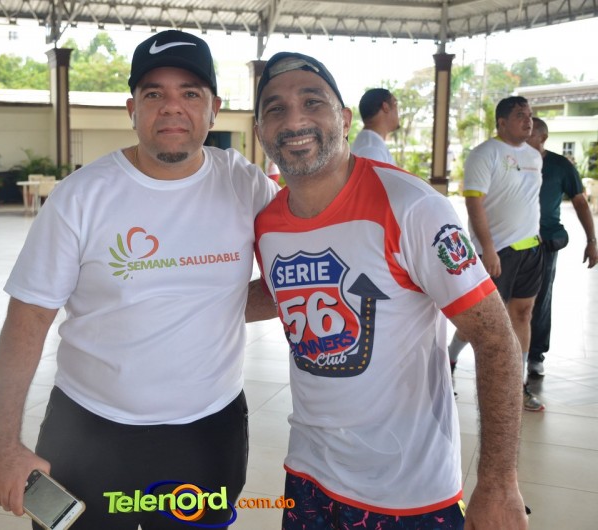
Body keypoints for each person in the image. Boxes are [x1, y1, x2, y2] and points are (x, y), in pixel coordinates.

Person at [0, 30, 278, 530]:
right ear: (132, 109)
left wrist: (217, 306)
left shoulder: (245, 184)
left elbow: (290, 280)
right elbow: (27, 319)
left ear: (214, 109)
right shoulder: (82, 196)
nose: (172, 107)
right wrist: (4, 445)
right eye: (153, 93)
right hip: (88, 430)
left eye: (190, 93)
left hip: (207, 433)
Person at [251, 52, 528, 529]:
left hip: (408, 491)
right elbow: (282, 294)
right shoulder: (268, 223)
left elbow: (495, 338)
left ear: (343, 119)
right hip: (307, 474)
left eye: (312, 102)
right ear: (260, 131)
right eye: (276, 108)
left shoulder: (413, 207)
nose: (294, 120)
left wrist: (499, 483)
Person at [447, 96, 545, 412]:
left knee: (523, 314)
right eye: (520, 115)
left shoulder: (534, 156)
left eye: (530, 115)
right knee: (483, 320)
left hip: (531, 248)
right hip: (497, 251)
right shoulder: (484, 154)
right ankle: (450, 356)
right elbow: (474, 203)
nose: (528, 120)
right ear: (502, 122)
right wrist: (488, 249)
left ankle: (517, 384)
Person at [525, 117, 598, 376]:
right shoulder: (511, 161)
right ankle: (510, 352)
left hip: (545, 242)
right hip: (511, 242)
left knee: (541, 298)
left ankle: (535, 355)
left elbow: (580, 203)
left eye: (529, 134)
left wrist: (591, 241)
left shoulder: (560, 166)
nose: (523, 138)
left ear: (542, 138)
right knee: (509, 299)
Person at [349, 88, 399, 164]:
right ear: (385, 107)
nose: (398, 111)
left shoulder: (370, 143)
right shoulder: (372, 149)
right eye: (395, 104)